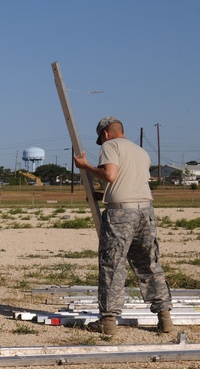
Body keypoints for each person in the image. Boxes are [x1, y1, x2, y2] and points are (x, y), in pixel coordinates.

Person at [74, 116, 174, 335]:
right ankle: (165, 318)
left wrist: (85, 166)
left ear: (105, 134)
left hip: (121, 214)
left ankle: (108, 321)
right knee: (149, 264)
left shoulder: (110, 146)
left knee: (113, 263)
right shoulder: (140, 151)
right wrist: (102, 195)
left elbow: (110, 175)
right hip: (145, 212)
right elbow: (127, 184)